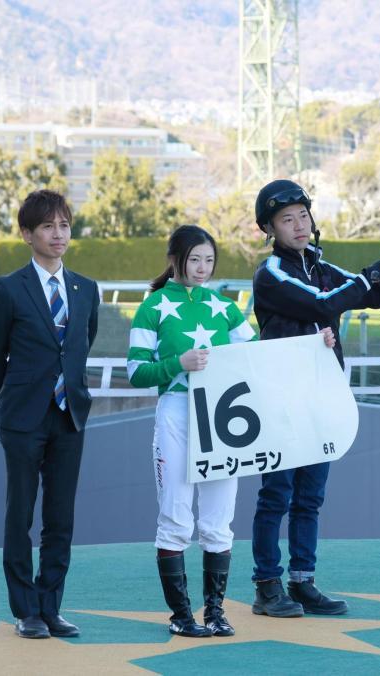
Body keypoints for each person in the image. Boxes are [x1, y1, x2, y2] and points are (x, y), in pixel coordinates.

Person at [127, 224, 335, 637]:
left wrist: (314, 345)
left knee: (219, 522)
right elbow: (135, 372)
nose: (202, 269)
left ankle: (215, 613)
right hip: (177, 415)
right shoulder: (152, 307)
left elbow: (259, 356)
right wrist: (177, 364)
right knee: (175, 519)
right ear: (175, 260)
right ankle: (181, 616)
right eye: (194, 260)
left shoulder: (224, 307)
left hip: (223, 422)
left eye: (208, 260)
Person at [250, 179, 380, 618]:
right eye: (287, 219)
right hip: (281, 400)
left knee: (310, 497)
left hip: (320, 398)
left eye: (303, 216)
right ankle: (265, 586)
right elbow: (324, 304)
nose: (298, 225)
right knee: (276, 495)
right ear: (270, 229)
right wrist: (370, 274)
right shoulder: (270, 273)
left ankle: (302, 582)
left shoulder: (319, 264)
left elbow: (375, 293)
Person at [0, 190, 100, 639]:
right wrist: (15, 400)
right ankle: (26, 610)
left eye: (64, 225)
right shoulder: (8, 289)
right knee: (20, 515)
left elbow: (80, 347)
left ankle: (51, 607)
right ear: (27, 233)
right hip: (22, 420)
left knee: (61, 517)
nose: (58, 234)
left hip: (69, 417)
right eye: (48, 226)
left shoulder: (85, 289)